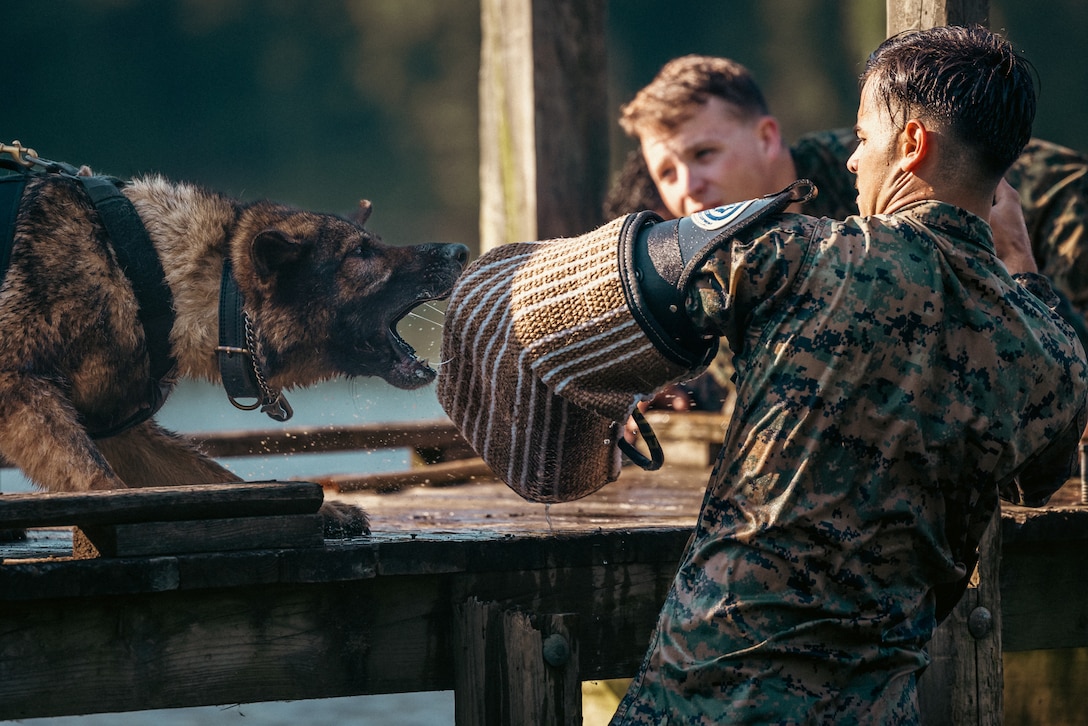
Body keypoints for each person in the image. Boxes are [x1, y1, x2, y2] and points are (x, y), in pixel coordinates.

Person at [602, 26, 1087, 723]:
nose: (852, 161)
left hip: (702, 702)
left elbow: (626, 290)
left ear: (913, 146)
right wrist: (1024, 273)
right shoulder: (1051, 349)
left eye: (864, 138)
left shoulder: (796, 255)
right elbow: (1039, 478)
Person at [615, 53, 1088, 348]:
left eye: (704, 154)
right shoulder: (719, 261)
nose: (687, 188)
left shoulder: (878, 182)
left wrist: (1020, 265)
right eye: (667, 172)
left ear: (766, 138)